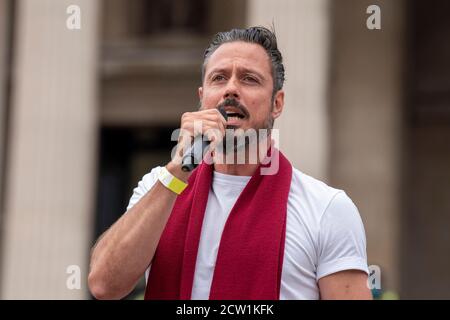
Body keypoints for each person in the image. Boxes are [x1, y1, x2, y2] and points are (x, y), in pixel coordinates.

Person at [88, 26, 372, 300]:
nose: (231, 89)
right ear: (202, 98)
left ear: (277, 103)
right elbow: (104, 285)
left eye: (249, 79)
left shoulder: (326, 208)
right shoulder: (159, 186)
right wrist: (178, 168)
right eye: (219, 78)